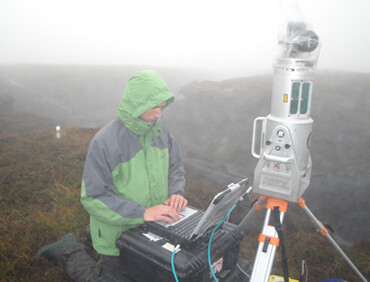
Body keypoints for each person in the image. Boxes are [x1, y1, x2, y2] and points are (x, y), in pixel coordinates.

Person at [36, 70, 187, 281]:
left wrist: (176, 191)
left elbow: (175, 165)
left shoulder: (160, 131)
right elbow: (93, 197)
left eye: (161, 106)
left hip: (155, 230)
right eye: (154, 107)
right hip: (117, 237)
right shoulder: (105, 142)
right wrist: (142, 213)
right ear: (137, 105)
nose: (159, 114)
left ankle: (89, 234)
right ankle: (67, 250)